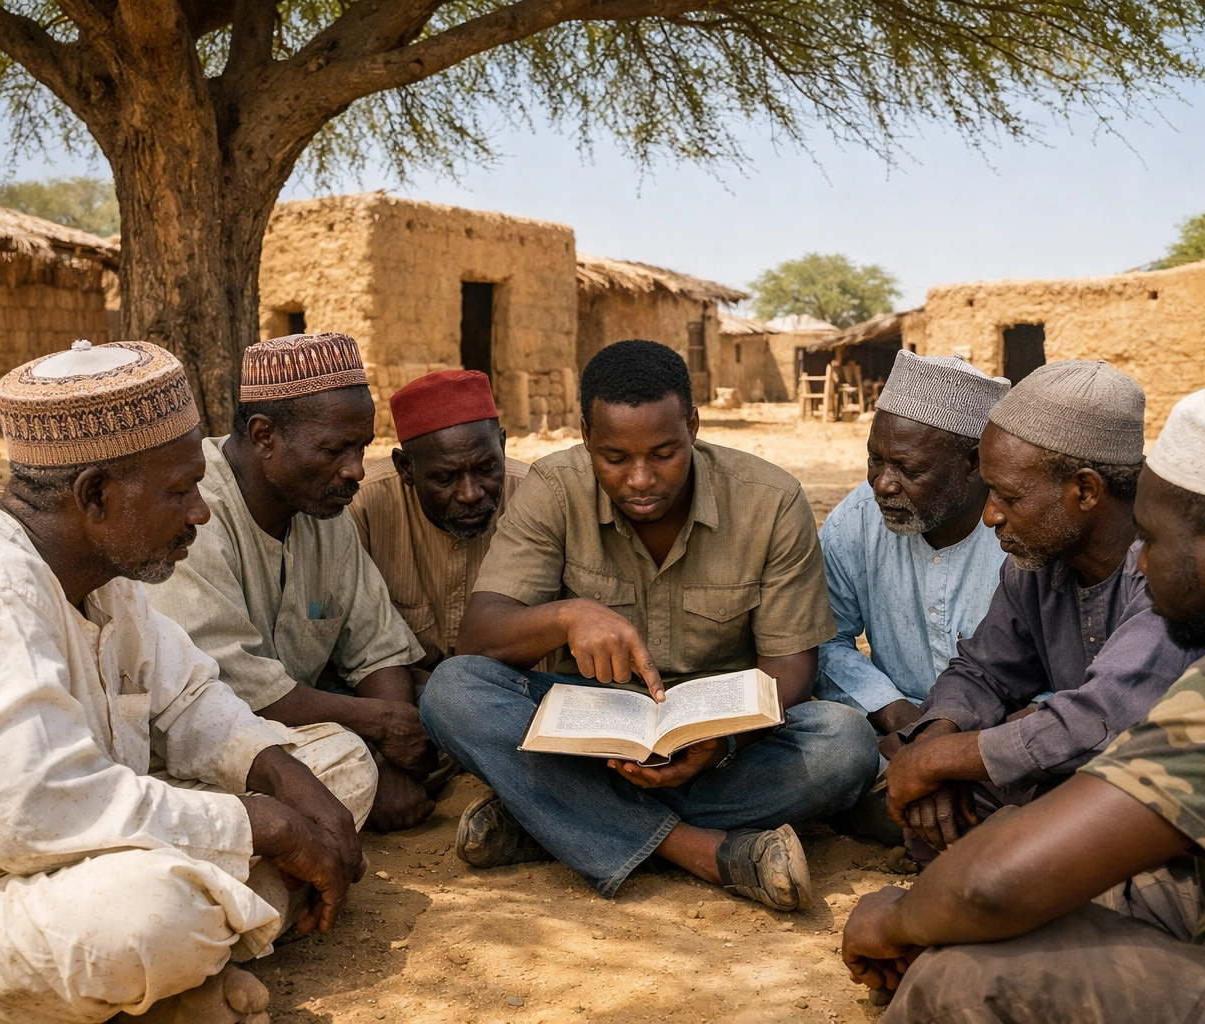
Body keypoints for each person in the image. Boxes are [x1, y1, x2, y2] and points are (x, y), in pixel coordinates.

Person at [841, 379, 1205, 1024]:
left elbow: (992, 884)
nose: (1140, 566)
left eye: (1153, 538)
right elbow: (983, 672)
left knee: (963, 977)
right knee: (993, 905)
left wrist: (894, 916)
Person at [0, 341, 373, 1024]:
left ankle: (174, 982)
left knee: (338, 768)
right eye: (180, 491)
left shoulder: (102, 572)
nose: (201, 513)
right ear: (95, 495)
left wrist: (273, 769)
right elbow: (30, 817)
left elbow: (191, 698)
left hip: (76, 851)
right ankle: (179, 969)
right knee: (154, 914)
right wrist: (256, 824)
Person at [420, 340, 880, 911]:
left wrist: (722, 742)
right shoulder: (554, 487)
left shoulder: (772, 501)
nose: (640, 479)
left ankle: (551, 818)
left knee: (845, 745)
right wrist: (568, 616)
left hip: (720, 741)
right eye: (614, 458)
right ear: (586, 436)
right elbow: (479, 638)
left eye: (664, 453)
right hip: (587, 735)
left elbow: (790, 670)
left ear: (693, 424)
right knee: (454, 689)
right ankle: (699, 850)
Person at [884, 360, 1203, 859]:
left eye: (1008, 496)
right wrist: (935, 739)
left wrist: (936, 761)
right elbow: (982, 671)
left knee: (1018, 847)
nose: (989, 514)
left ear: (1085, 490)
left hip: (1167, 791)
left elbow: (1102, 720)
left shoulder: (1173, 572)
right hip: (1084, 775)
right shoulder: (1037, 563)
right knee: (940, 818)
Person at [148, 333, 435, 832]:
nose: (356, 470)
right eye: (333, 449)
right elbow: (227, 688)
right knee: (340, 766)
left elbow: (377, 647)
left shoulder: (325, 510)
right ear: (263, 437)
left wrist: (394, 755)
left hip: (310, 735)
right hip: (204, 745)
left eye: (362, 447)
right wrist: (381, 726)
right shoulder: (190, 516)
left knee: (440, 701)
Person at [817, 351, 1010, 753]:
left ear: (972, 463)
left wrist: (958, 749)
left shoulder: (1022, 534)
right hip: (894, 735)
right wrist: (896, 712)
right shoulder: (854, 522)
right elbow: (824, 640)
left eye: (909, 469)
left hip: (1002, 734)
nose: (882, 484)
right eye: (876, 459)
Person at [348, 369, 531, 667]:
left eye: (486, 469)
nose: (470, 494)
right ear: (406, 468)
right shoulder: (362, 508)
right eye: (445, 477)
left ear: (502, 444)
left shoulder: (534, 499)